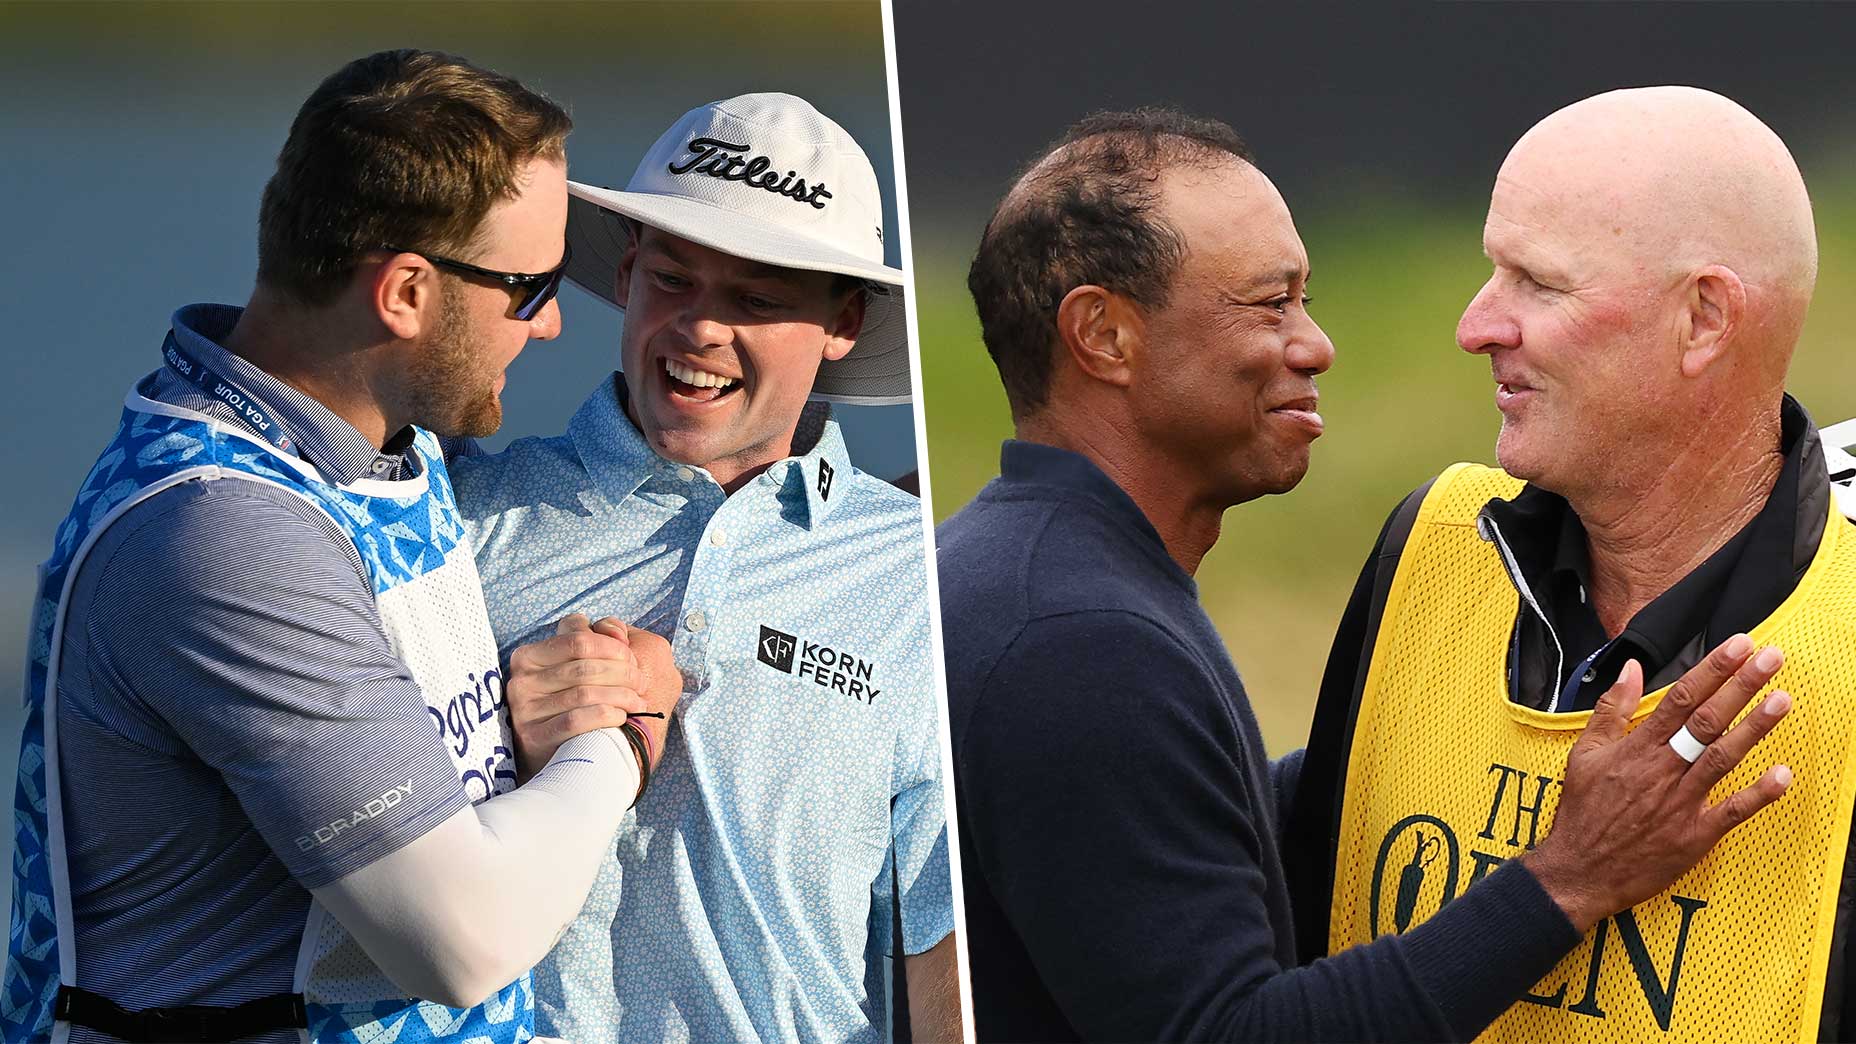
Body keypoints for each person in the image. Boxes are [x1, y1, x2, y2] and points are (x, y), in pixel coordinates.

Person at [938, 106, 1797, 1043]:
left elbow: (1157, 851)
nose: (1316, 345)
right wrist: (1569, 877)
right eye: (1270, 304)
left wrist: (1445, 738)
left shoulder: (1023, 581)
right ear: (1104, 337)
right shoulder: (1077, 642)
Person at [1, 50, 678, 1044]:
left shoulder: (367, 434)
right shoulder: (226, 537)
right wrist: (619, 735)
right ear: (404, 294)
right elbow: (465, 941)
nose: (551, 325)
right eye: (529, 289)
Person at [1283, 86, 1856, 1043]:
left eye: (1538, 285)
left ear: (1706, 319)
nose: (1476, 326)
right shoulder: (1430, 544)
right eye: (1489, 272)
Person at [450, 92, 958, 1043]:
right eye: (673, 281)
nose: (700, 330)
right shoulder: (463, 517)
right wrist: (482, 760)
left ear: (843, 320)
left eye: (756, 301)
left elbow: (948, 958)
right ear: (630, 273)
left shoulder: (921, 579)